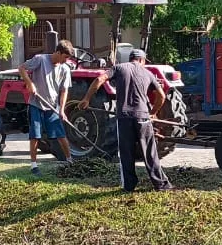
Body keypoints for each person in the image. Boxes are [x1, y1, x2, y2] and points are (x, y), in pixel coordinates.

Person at [80, 47, 173, 193]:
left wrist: (86, 99)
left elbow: (99, 79)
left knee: (126, 153)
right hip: (142, 116)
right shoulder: (148, 73)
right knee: (150, 152)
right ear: (142, 60)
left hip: (124, 117)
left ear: (131, 58)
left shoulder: (119, 68)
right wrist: (153, 113)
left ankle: (129, 186)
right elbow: (161, 95)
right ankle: (161, 184)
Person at [18, 39, 74, 174]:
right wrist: (29, 83)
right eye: (65, 57)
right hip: (36, 104)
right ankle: (34, 165)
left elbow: (64, 90)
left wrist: (62, 109)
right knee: (35, 135)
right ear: (58, 52)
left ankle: (70, 161)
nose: (66, 60)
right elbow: (21, 68)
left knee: (61, 134)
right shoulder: (40, 60)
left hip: (52, 106)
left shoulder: (65, 69)